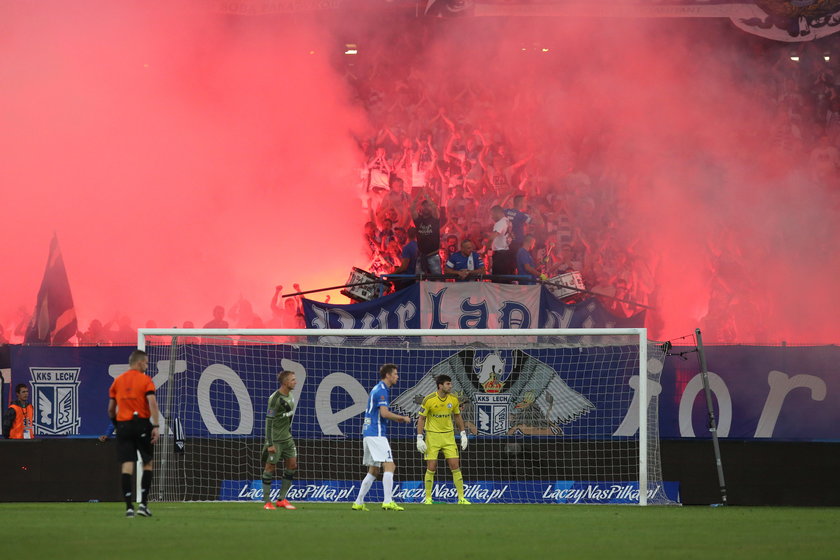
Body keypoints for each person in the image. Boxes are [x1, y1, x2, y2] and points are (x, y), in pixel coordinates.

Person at [352, 363, 411, 512]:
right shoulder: (382, 391)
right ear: (388, 375)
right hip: (376, 433)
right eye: (395, 374)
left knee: (374, 470)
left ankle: (358, 502)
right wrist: (401, 418)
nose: (397, 377)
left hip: (368, 433)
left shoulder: (378, 388)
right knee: (390, 465)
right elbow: (384, 413)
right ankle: (387, 501)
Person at [108, 350, 159, 518]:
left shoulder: (118, 381)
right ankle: (143, 505)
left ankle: (129, 507)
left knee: (127, 465)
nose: (147, 365)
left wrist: (117, 424)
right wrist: (156, 425)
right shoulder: (145, 380)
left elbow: (110, 409)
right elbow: (152, 402)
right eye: (146, 363)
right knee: (147, 463)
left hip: (123, 426)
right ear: (139, 363)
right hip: (142, 424)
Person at [416, 375, 470, 505]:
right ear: (440, 385)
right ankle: (428, 498)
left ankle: (461, 498)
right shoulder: (429, 399)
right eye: (448, 384)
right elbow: (421, 419)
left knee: (455, 465)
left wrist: (463, 434)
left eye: (450, 384)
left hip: (448, 436)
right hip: (432, 437)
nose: (450, 386)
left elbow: (457, 416)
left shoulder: (453, 400)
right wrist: (419, 437)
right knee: (431, 466)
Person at [260, 370, 298, 510]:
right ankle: (266, 502)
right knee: (270, 467)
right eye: (293, 380)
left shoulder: (291, 395)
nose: (295, 382)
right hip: (275, 440)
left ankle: (281, 499)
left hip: (287, 438)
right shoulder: (275, 399)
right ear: (285, 382)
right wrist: (270, 444)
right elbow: (268, 422)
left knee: (292, 465)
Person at [411, 195, 447, 276]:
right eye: (424, 206)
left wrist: (427, 196)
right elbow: (412, 208)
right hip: (421, 255)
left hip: (433, 255)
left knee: (437, 281)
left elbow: (434, 207)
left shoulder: (434, 218)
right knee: (419, 281)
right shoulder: (418, 219)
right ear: (421, 208)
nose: (426, 208)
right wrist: (418, 196)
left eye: (428, 206)